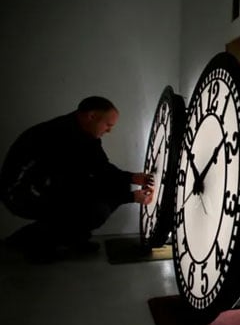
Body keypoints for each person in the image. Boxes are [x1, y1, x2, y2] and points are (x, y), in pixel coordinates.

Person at [0, 96, 154, 261]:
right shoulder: (59, 135)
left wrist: (133, 178)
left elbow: (102, 168)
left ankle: (71, 237)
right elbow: (76, 187)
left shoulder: (86, 134)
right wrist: (131, 197)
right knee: (94, 210)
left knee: (118, 186)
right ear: (91, 116)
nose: (109, 131)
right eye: (108, 125)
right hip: (19, 193)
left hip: (48, 186)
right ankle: (35, 243)